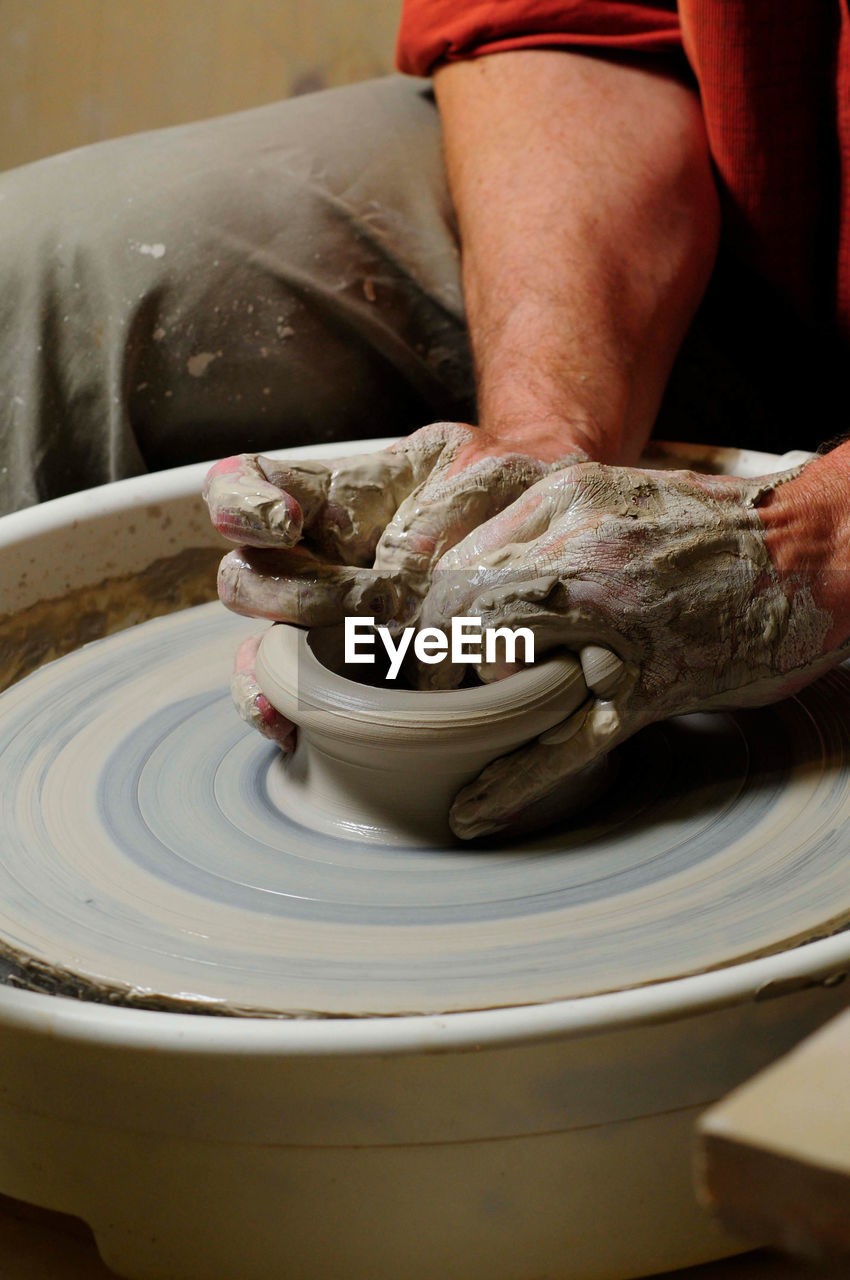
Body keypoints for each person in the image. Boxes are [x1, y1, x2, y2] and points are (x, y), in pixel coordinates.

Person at [3, 2, 850, 835]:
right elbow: (568, 26)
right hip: (745, 225)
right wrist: (542, 445)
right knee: (61, 267)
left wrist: (803, 546)